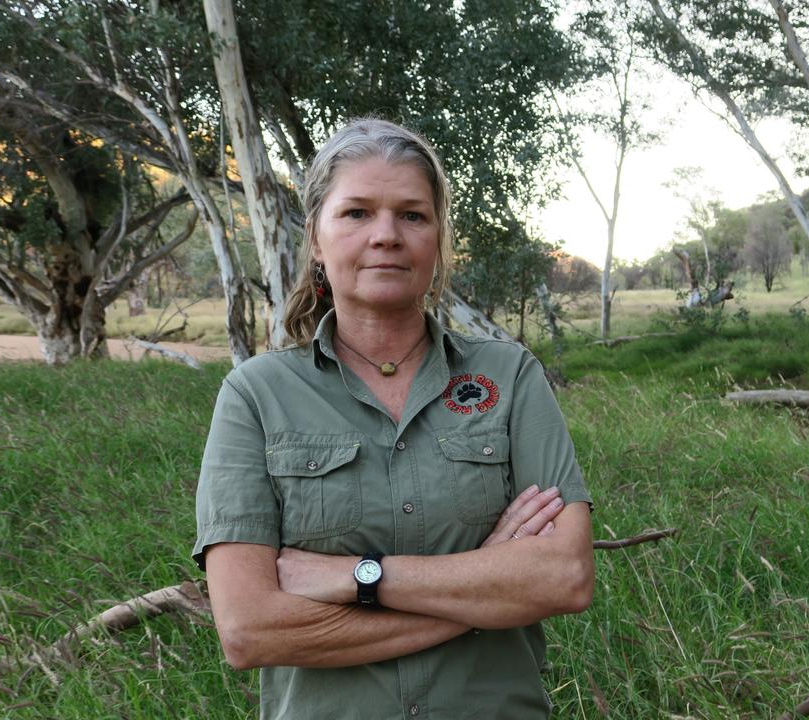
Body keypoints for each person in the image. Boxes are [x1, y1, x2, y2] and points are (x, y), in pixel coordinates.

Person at [192, 118, 594, 719]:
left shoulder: (509, 378)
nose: (387, 235)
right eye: (356, 213)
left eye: (412, 214)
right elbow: (251, 631)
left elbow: (563, 578)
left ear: (438, 239)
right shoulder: (256, 395)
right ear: (317, 240)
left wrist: (358, 577)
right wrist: (485, 591)